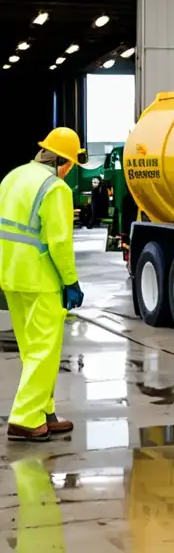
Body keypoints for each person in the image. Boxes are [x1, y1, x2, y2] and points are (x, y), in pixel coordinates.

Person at [0, 127, 86, 442]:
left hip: (10, 276)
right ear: (64, 161)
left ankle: (43, 411)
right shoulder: (55, 188)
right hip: (41, 279)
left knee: (32, 350)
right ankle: (24, 418)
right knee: (44, 351)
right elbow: (60, 242)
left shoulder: (12, 177)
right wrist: (71, 281)